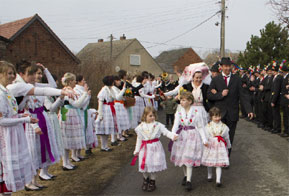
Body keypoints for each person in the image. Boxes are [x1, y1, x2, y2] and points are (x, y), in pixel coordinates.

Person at [0, 61, 37, 194]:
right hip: (4, 136)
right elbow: (1, 120)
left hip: (11, 133)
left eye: (13, 73)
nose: (12, 76)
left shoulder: (6, 91)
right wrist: (24, 119)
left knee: (8, 173)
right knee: (5, 170)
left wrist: (21, 114)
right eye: (8, 73)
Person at [207, 57, 253, 157]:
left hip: (232, 113)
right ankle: (219, 156)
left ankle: (226, 158)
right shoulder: (215, 79)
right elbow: (209, 96)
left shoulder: (237, 79)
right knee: (219, 137)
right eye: (225, 66)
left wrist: (249, 110)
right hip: (219, 115)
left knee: (229, 137)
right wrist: (220, 94)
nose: (227, 68)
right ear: (221, 67)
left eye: (229, 66)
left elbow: (243, 96)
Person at [131, 107, 178, 192]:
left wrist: (172, 136)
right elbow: (139, 139)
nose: (152, 117)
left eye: (153, 115)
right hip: (144, 148)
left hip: (155, 148)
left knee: (153, 165)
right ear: (144, 116)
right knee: (144, 165)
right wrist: (137, 150)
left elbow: (166, 132)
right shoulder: (140, 127)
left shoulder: (158, 125)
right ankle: (145, 179)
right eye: (150, 116)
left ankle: (152, 181)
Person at [169, 92, 207, 191]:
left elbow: (200, 127)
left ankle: (189, 181)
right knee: (183, 157)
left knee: (188, 158)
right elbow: (175, 125)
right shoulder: (179, 112)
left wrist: (204, 139)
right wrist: (172, 135)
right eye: (181, 100)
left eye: (184, 100)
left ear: (190, 101)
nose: (181, 101)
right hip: (181, 137)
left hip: (192, 137)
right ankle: (186, 176)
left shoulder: (196, 113)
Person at [59, 73, 90, 170]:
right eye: (73, 80)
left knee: (70, 137)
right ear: (69, 81)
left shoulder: (71, 90)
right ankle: (65, 162)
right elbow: (76, 104)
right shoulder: (67, 91)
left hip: (72, 113)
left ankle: (68, 161)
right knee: (66, 137)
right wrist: (85, 94)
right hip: (67, 114)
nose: (75, 82)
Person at [201, 107, 231, 187]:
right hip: (211, 145)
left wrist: (228, 145)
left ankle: (218, 180)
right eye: (215, 117)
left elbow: (227, 137)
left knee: (219, 164)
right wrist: (204, 142)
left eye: (218, 116)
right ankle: (209, 175)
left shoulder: (224, 126)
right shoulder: (207, 126)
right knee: (210, 162)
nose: (217, 118)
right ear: (211, 117)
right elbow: (205, 136)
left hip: (220, 146)